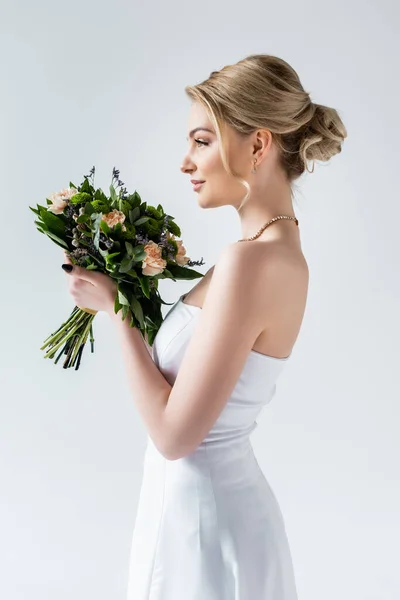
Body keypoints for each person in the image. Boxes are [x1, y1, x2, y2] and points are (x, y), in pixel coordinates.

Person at [63, 53, 347, 599]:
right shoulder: (275, 256)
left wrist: (119, 307)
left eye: (201, 140)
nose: (186, 162)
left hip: (202, 528)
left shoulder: (249, 263)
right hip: (211, 514)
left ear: (258, 145)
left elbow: (174, 436)